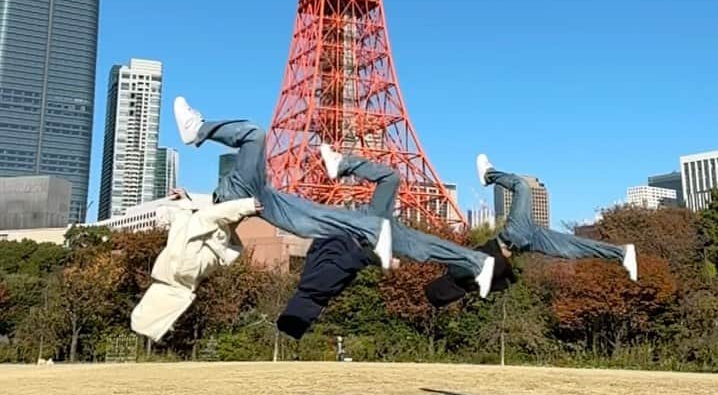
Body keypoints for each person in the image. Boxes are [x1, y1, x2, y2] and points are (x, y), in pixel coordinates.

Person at [173, 98, 495, 295]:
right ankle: (197, 129)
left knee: (413, 225)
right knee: (255, 135)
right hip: (271, 204)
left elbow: (207, 210)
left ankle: (477, 263)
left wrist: (190, 198)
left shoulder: (228, 196)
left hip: (352, 223)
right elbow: (211, 216)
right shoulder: (235, 198)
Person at [425, 153, 637, 310]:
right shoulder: (458, 273)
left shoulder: (467, 283)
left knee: (575, 248)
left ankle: (621, 253)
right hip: (514, 236)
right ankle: (489, 175)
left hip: (523, 242)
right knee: (522, 186)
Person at [277, 147, 401, 341]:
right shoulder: (307, 283)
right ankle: (342, 164)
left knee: (390, 178)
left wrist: (384, 262)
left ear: (306, 313)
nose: (315, 317)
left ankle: (343, 163)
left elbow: (351, 261)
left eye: (309, 320)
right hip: (342, 228)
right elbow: (319, 250)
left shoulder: (319, 288)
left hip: (356, 232)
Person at [131, 188, 261, 342]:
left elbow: (181, 231)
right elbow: (201, 219)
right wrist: (247, 205)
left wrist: (185, 202)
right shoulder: (180, 266)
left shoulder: (175, 270)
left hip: (216, 236)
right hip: (216, 231)